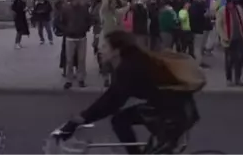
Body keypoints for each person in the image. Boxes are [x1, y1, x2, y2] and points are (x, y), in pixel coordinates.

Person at [55, 31, 200, 155]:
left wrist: (80, 119)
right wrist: (82, 118)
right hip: (169, 108)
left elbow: (112, 102)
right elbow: (112, 97)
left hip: (173, 115)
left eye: (105, 46)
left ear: (117, 51)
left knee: (120, 120)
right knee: (120, 120)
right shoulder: (130, 62)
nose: (100, 49)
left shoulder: (130, 68)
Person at [60, 0, 92, 89]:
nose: (79, 0)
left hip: (81, 37)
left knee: (81, 60)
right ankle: (69, 80)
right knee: (69, 60)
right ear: (73, 0)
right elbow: (60, 21)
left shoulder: (84, 9)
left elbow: (88, 20)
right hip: (70, 37)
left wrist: (86, 28)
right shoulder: (66, 9)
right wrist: (66, 30)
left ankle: (81, 79)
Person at [216, 0, 243, 87]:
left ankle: (238, 79)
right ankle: (229, 79)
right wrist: (223, 36)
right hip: (228, 39)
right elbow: (218, 25)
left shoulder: (239, 9)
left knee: (239, 59)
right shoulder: (222, 10)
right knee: (229, 60)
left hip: (239, 37)